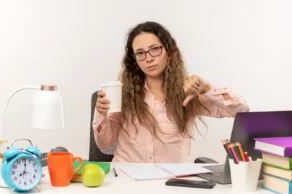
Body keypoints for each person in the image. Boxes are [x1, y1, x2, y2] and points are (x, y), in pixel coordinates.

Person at [92, 21, 249, 163]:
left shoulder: (189, 91)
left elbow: (240, 109)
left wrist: (208, 88)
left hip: (169, 181)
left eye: (154, 49)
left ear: (169, 51)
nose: (148, 58)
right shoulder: (123, 94)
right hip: (126, 177)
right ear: (134, 59)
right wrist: (101, 114)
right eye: (140, 53)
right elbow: (104, 144)